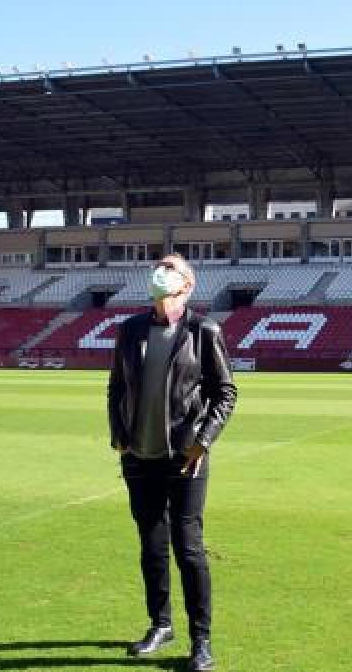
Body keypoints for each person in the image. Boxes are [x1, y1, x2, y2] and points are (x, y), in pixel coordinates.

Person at [107, 253, 237, 671]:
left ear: (187, 286)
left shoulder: (204, 331)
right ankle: (160, 625)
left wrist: (202, 441)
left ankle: (202, 640)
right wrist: (119, 438)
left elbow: (225, 393)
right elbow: (114, 389)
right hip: (139, 459)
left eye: (172, 271)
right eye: (159, 268)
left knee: (189, 549)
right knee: (151, 547)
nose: (162, 275)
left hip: (185, 459)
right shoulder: (130, 330)